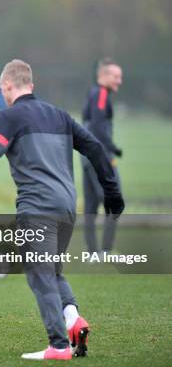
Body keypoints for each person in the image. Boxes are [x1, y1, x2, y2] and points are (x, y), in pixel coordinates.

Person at [0, 59, 124, 360]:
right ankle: (73, 319)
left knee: (38, 272)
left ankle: (58, 346)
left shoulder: (10, 116)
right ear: (31, 84)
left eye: (4, 89)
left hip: (37, 207)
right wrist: (112, 191)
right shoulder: (60, 115)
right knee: (52, 270)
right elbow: (95, 147)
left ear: (6, 87)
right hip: (67, 206)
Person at [81, 58, 123, 255]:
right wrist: (111, 148)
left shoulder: (93, 93)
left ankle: (92, 252)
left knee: (90, 206)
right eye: (115, 76)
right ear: (103, 76)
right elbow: (98, 125)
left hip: (87, 157)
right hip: (99, 157)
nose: (119, 81)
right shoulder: (101, 94)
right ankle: (105, 250)